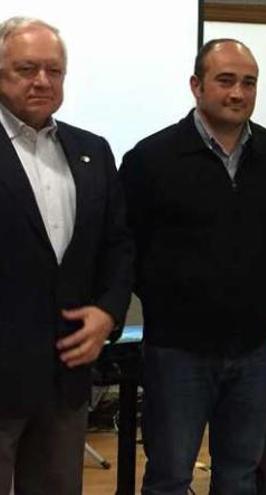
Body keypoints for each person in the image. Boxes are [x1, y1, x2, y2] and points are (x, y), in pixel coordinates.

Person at [118, 39, 266, 494]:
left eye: (249, 82)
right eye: (225, 80)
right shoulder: (150, 158)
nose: (238, 92)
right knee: (171, 476)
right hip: (178, 352)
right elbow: (126, 249)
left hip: (253, 350)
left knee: (240, 474)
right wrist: (169, 301)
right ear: (196, 86)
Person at [0, 16, 134, 494]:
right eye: (26, 68)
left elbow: (117, 245)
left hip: (67, 375)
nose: (42, 81)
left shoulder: (91, 151)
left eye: (53, 70)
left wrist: (108, 312)